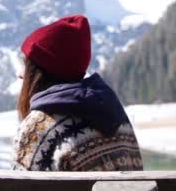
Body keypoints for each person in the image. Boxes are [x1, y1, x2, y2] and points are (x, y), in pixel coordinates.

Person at [12, 15, 144, 171]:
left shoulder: (37, 128)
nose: (20, 74)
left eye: (27, 66)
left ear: (38, 75)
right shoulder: (117, 117)